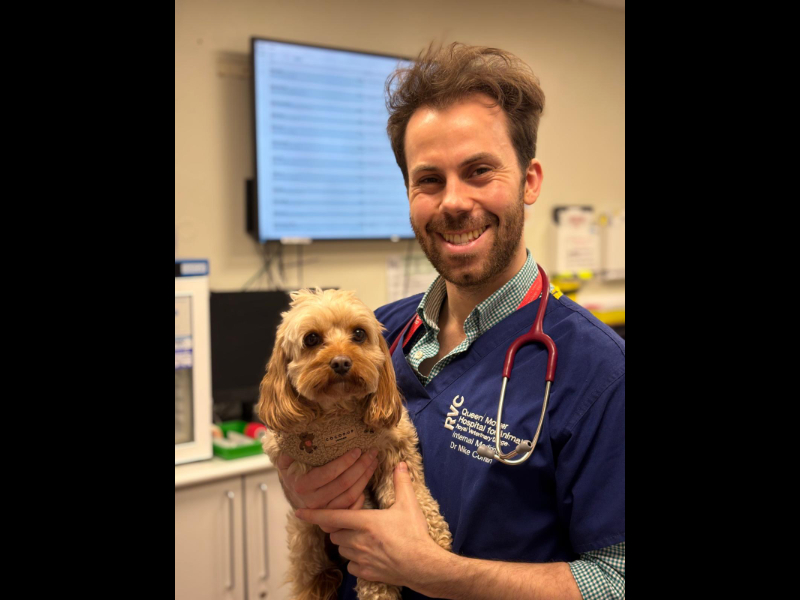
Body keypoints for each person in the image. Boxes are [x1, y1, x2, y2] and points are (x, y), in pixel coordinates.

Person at [279, 42, 625, 600]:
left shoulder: (600, 373)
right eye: (430, 180)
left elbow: (618, 579)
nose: (454, 202)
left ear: (530, 180)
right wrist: (302, 486)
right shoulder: (379, 334)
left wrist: (432, 571)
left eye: (479, 171)